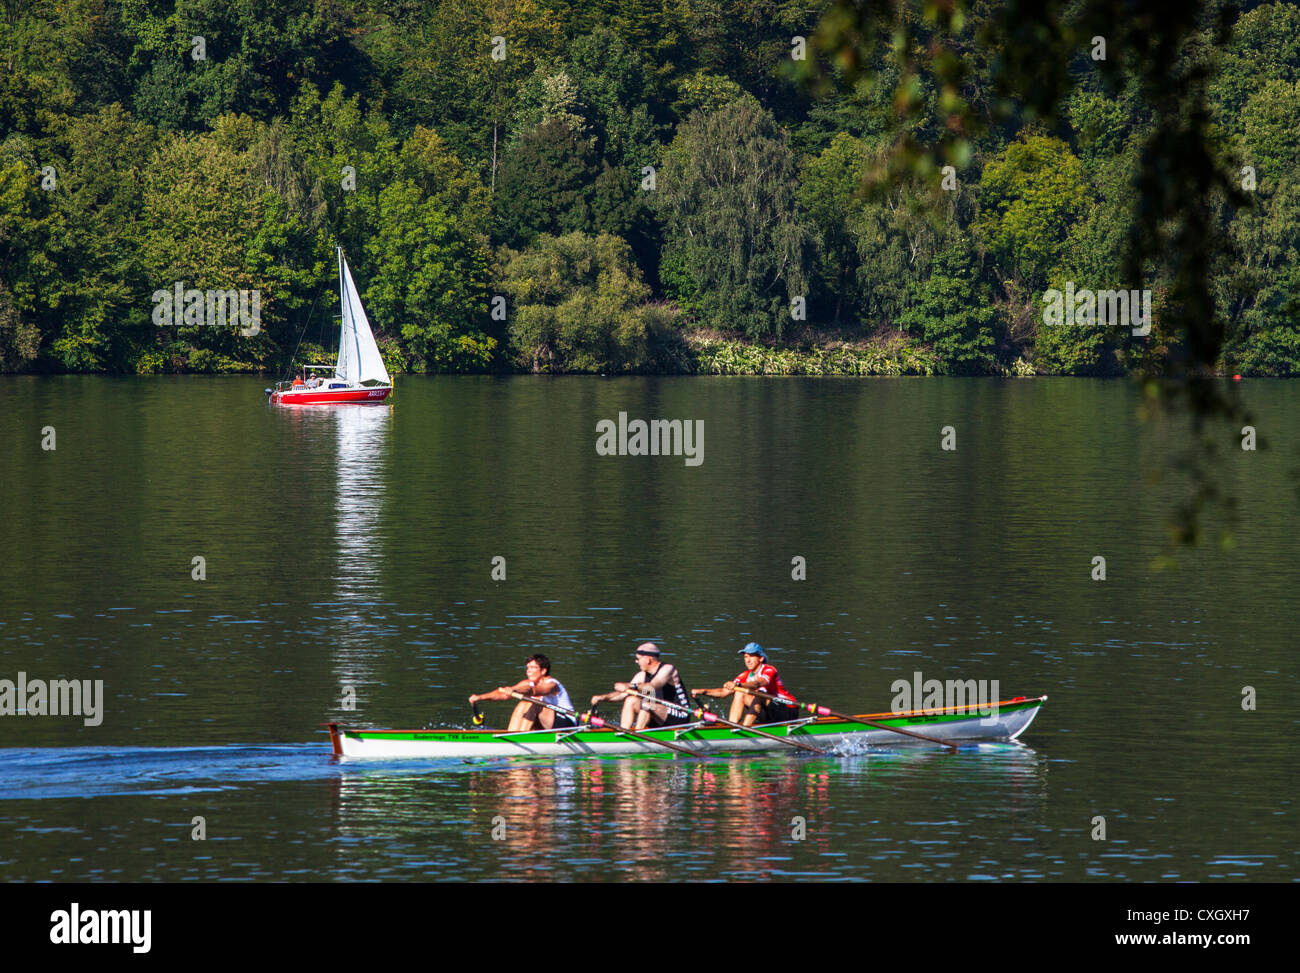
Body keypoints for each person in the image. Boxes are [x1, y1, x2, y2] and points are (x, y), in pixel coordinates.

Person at [590, 642, 693, 730]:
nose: (636, 661)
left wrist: (629, 685)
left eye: (638, 659)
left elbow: (652, 686)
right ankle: (623, 732)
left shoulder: (668, 669)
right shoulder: (641, 675)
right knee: (631, 700)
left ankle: (637, 735)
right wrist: (602, 697)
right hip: (657, 714)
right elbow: (621, 695)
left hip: (680, 716)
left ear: (648, 659)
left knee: (647, 703)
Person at [692, 642, 798, 726]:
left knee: (757, 694)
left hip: (788, 711)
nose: (747, 660)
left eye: (751, 656)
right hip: (770, 713)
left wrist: (739, 686)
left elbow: (758, 683)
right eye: (746, 657)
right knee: (739, 693)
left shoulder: (769, 670)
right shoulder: (745, 675)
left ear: (761, 658)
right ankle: (732, 727)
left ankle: (745, 728)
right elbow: (723, 692)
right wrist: (701, 691)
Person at [468, 654, 576, 731]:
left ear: (543, 671)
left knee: (533, 703)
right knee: (523, 703)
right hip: (548, 722)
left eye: (533, 667)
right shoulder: (527, 682)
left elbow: (534, 691)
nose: (528, 670)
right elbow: (505, 694)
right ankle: (512, 734)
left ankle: (520, 738)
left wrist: (514, 690)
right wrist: (480, 697)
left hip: (567, 723)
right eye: (527, 667)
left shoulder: (552, 685)